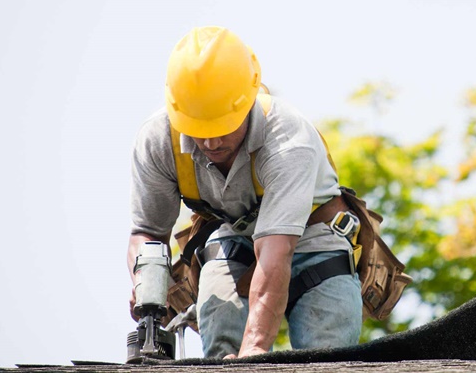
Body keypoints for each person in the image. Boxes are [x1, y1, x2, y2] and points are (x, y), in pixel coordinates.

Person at [127, 26, 362, 359]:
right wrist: (148, 284)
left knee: (326, 357)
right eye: (198, 130)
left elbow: (276, 251)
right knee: (219, 332)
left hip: (314, 238)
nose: (210, 143)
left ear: (247, 102)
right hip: (234, 236)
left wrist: (253, 355)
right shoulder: (158, 141)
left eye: (222, 128)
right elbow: (148, 233)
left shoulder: (287, 139)